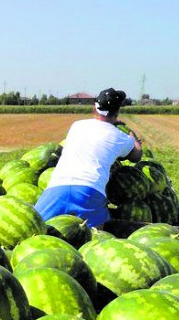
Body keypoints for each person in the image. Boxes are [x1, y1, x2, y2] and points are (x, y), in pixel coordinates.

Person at [33, 87, 143, 228]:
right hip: (89, 191)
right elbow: (136, 156)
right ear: (117, 112)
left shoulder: (77, 126)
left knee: (37, 230)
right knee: (92, 240)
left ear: (94, 108)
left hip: (55, 190)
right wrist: (133, 138)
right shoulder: (119, 137)